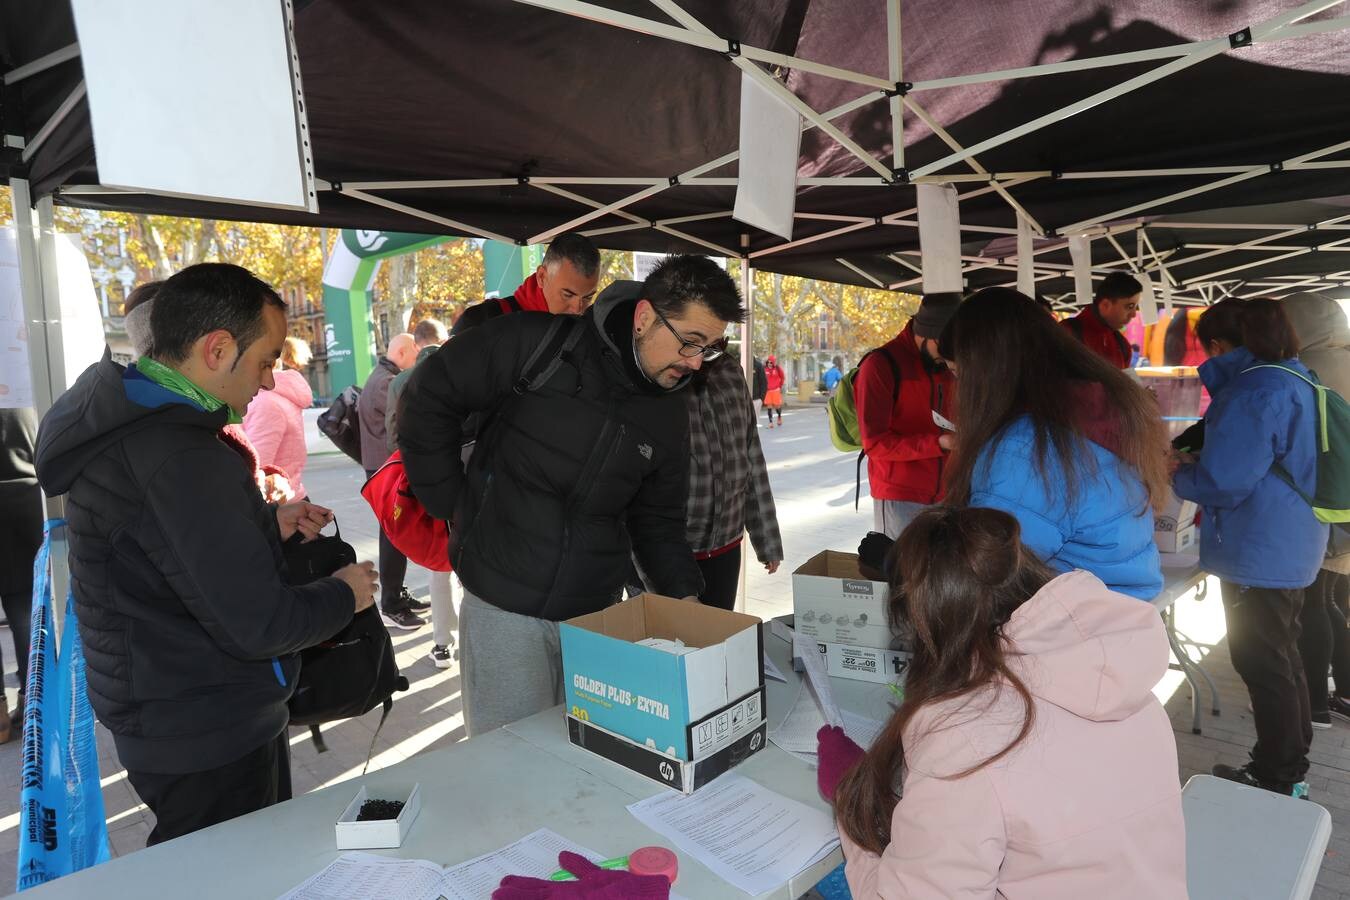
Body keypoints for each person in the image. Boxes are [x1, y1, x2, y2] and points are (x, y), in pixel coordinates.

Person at [33, 263, 378, 845]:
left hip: (174, 707)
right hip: (205, 724)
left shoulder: (141, 422)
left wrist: (265, 522)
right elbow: (262, 623)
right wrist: (347, 591)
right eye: (266, 360)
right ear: (216, 348)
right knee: (236, 872)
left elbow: (162, 548)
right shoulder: (178, 455)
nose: (269, 382)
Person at [399, 255, 742, 735]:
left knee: (584, 763)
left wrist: (686, 601)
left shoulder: (669, 411)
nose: (692, 362)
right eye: (689, 342)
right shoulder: (538, 342)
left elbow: (657, 520)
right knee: (509, 758)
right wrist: (448, 501)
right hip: (504, 605)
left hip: (594, 620)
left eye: (708, 349)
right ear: (644, 317)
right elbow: (429, 393)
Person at [822, 506, 1187, 898]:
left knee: (834, 877)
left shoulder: (964, 737)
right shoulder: (1123, 677)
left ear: (925, 628)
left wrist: (848, 799)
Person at [1173, 298, 1328, 795]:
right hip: (1291, 541)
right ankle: (1289, 759)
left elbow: (1225, 480)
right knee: (1281, 654)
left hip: (1260, 548)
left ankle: (1278, 775)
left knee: (1262, 661)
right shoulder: (1297, 376)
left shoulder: (1255, 389)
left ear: (1221, 345)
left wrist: (1178, 474)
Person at [939, 287, 1167, 600]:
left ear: (987, 373)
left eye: (957, 372)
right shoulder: (1094, 412)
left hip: (1072, 628)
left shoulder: (1025, 448)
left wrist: (904, 559)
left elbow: (991, 572)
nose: (957, 388)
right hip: (1117, 616)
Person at [1283, 292, 1350, 725]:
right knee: (1330, 599)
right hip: (1344, 506)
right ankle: (1343, 693)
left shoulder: (1313, 370)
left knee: (1314, 602)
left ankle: (1317, 706)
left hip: (1327, 504)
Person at [386, 317, 461, 668]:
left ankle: (443, 644)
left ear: (417, 345)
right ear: (443, 340)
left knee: (439, 568)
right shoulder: (463, 371)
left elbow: (393, 439)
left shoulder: (401, 381)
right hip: (467, 479)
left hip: (424, 485)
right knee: (472, 564)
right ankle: (470, 639)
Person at [855, 292, 960, 539]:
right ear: (924, 333)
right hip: (899, 498)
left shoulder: (946, 365)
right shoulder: (880, 365)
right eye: (944, 349)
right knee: (902, 575)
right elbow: (875, 444)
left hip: (950, 494)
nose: (948, 359)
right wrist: (939, 443)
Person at [684, 354, 783, 610]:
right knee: (664, 641)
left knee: (717, 638)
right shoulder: (659, 370)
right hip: (670, 550)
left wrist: (767, 540)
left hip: (725, 545)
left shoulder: (730, 370)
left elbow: (751, 454)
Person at [358, 331, 425, 630]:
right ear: (403, 351)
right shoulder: (387, 382)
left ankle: (397, 595)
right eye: (415, 354)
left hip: (380, 467)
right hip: (385, 470)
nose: (417, 361)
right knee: (393, 536)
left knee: (394, 534)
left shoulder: (380, 376)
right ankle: (392, 604)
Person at [452, 232, 600, 334]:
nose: (578, 309)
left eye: (588, 297)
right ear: (542, 277)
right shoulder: (483, 321)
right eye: (567, 295)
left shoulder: (589, 331)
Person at [0, 407, 41, 741]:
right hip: (24, 503)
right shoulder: (20, 391)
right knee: (25, 613)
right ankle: (31, 708)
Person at [243, 336, 313, 500]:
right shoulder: (277, 397)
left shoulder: (266, 403)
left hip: (277, 503)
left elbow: (255, 465)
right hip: (289, 496)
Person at [1063, 271, 1140, 369]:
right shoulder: (1067, 333)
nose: (1134, 314)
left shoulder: (1122, 345)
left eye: (1136, 307)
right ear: (1105, 305)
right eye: (1129, 306)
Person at [763, 355, 785, 427]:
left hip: (776, 391)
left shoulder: (777, 369)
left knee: (777, 406)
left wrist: (780, 386)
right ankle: (770, 422)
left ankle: (779, 417)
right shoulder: (764, 369)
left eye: (771, 362)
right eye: (768, 362)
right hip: (768, 391)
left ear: (774, 363)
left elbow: (782, 377)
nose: (769, 363)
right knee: (769, 406)